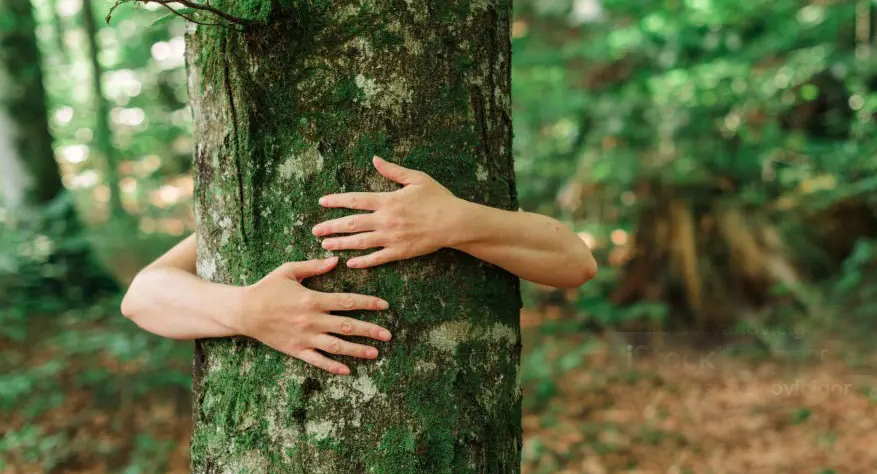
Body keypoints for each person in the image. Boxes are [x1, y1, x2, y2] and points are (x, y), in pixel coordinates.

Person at [121, 156, 597, 376]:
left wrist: (456, 220)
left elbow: (574, 262)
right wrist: (246, 310)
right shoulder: (251, 206)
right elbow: (142, 298)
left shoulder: (438, 195)